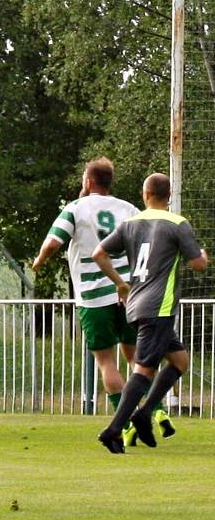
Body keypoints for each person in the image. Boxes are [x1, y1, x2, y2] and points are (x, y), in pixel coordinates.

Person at [32, 157, 169, 443]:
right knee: (137, 359)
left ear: (88, 181)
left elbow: (53, 241)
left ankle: (125, 421)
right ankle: (156, 410)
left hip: (94, 295)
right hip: (129, 293)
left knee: (106, 362)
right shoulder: (129, 209)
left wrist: (40, 260)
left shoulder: (75, 208)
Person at [93, 173, 208, 453]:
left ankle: (144, 415)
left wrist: (121, 284)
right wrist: (203, 253)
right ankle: (113, 429)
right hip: (159, 308)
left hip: (135, 304)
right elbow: (199, 265)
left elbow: (98, 253)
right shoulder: (178, 224)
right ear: (169, 195)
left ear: (145, 195)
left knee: (179, 361)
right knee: (144, 369)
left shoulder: (130, 224)